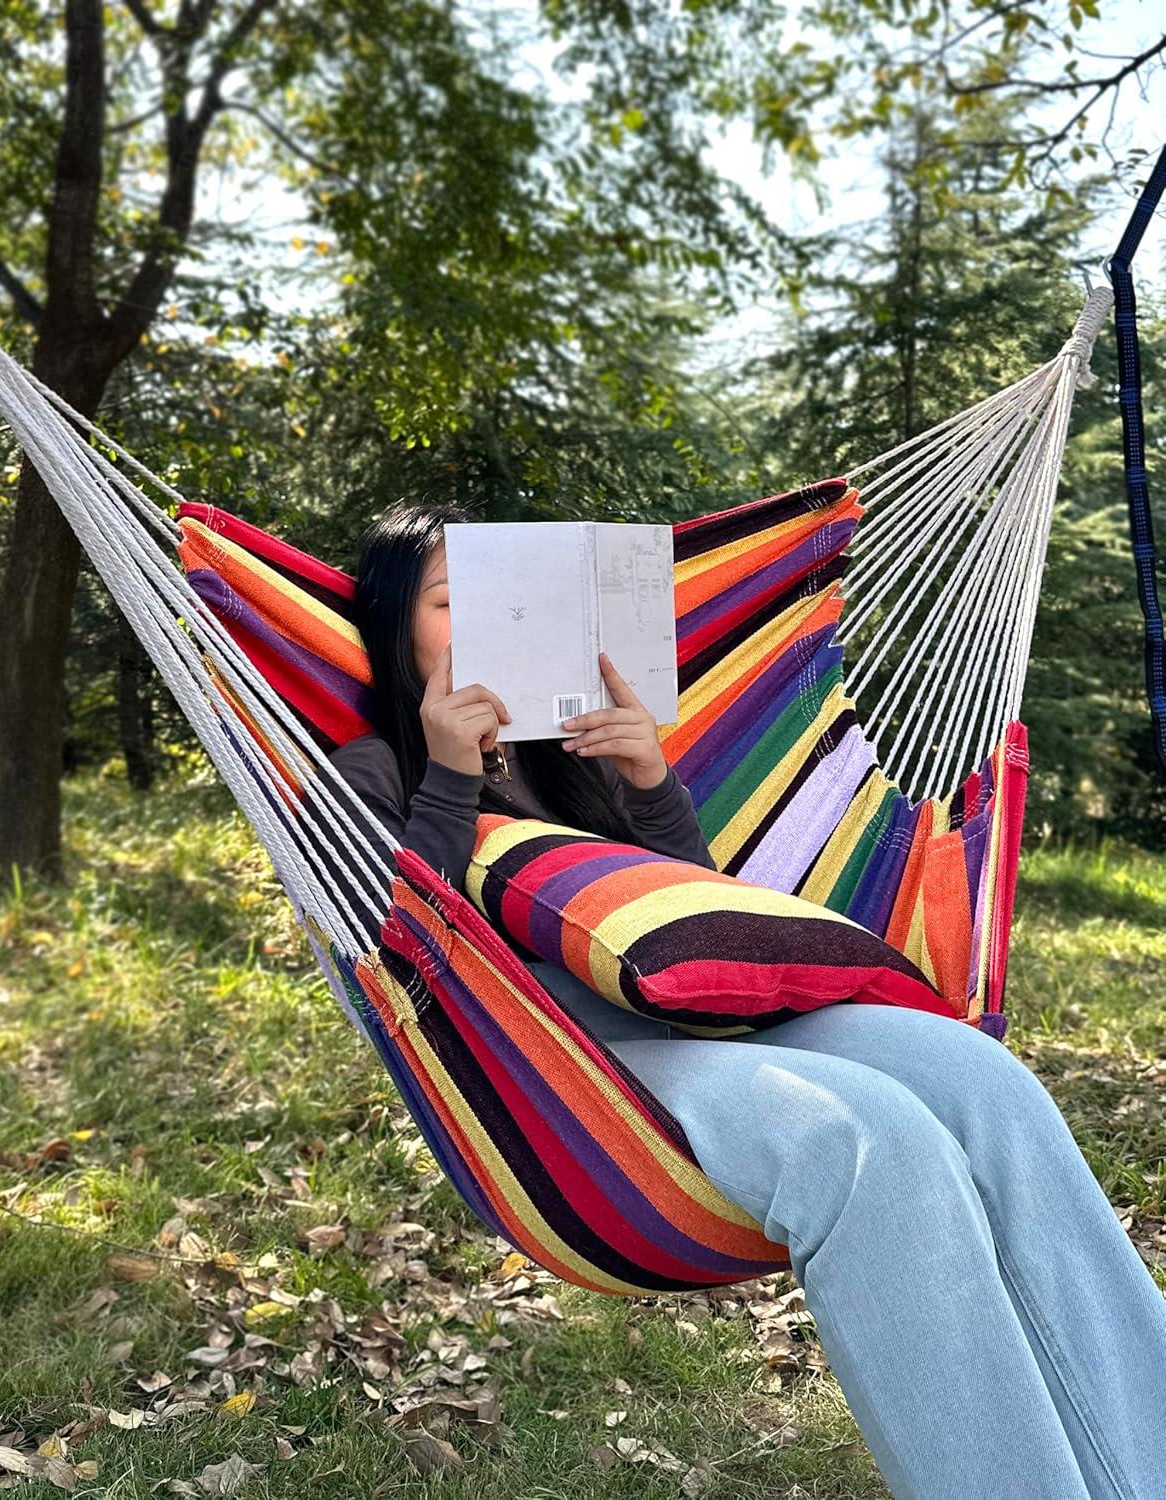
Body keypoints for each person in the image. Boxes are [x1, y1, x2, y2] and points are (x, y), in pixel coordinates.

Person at [324, 498, 1166, 1500]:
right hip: (573, 1065)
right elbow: (397, 964)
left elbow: (690, 909)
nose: (482, 624)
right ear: (393, 625)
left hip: (708, 1014)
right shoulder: (373, 770)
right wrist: (452, 778)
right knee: (866, 1140)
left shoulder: (568, 752)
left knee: (987, 1085)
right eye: (451, 602)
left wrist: (646, 778)